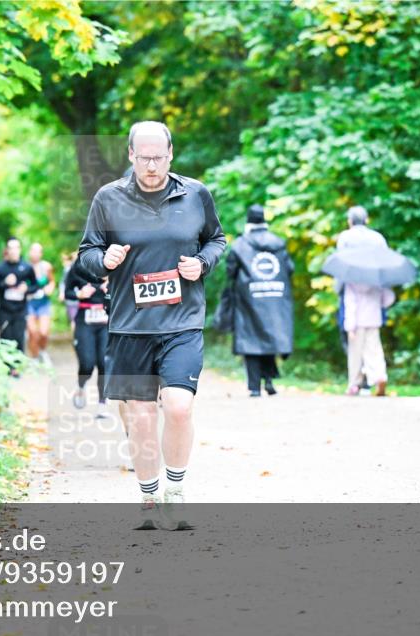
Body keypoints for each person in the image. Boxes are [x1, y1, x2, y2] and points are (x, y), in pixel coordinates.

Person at [76, 120, 226, 530]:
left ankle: (175, 493)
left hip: (182, 322)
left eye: (159, 157)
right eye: (144, 158)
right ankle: (148, 498)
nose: (152, 166)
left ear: (171, 154)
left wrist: (202, 264)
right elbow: (86, 252)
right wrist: (103, 261)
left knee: (178, 407)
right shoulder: (108, 198)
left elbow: (217, 240)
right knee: (141, 417)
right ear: (130, 156)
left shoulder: (195, 194)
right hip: (130, 325)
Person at [223, 205, 294, 397]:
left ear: (248, 222)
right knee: (269, 336)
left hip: (248, 299)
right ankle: (269, 382)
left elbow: (230, 271)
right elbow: (290, 268)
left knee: (251, 340)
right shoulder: (279, 243)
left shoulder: (240, 244)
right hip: (275, 297)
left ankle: (254, 387)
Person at [336, 206, 394, 396]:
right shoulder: (378, 239)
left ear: (350, 220)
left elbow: (340, 267)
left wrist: (348, 323)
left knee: (355, 350)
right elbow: (386, 271)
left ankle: (354, 382)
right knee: (374, 347)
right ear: (366, 219)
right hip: (374, 308)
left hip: (356, 311)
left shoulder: (345, 238)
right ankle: (379, 375)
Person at [65, 263, 110, 416]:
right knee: (87, 363)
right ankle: (81, 386)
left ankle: (102, 404)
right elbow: (67, 292)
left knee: (104, 363)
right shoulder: (78, 268)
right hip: (84, 321)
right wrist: (79, 294)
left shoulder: (113, 264)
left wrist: (114, 288)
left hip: (106, 322)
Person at [0, 238, 37, 376]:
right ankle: (6, 367)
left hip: (20, 309)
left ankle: (16, 367)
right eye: (11, 248)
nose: (13, 251)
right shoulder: (0, 268)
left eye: (16, 248)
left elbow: (35, 286)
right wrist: (5, 283)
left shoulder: (27, 267)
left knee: (18, 337)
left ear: (20, 250)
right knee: (5, 338)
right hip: (4, 310)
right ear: (7, 251)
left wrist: (26, 288)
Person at [25, 243, 56, 364]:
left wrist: (50, 288)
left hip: (43, 303)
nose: (35, 253)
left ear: (41, 254)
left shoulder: (46, 267)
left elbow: (52, 282)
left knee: (43, 332)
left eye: (38, 251)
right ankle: (34, 356)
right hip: (29, 303)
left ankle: (42, 350)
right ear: (30, 252)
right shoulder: (25, 267)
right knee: (32, 332)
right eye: (33, 251)